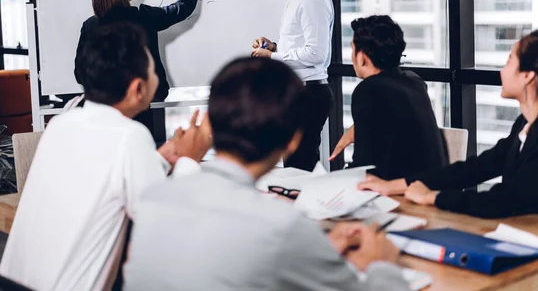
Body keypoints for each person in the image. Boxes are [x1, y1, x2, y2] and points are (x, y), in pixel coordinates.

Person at [124, 58, 410, 291]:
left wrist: (316, 248)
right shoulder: (282, 224)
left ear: (211, 120)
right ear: (293, 140)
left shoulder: (153, 199)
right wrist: (379, 264)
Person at [0, 23, 211, 291]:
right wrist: (190, 160)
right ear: (138, 89)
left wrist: (159, 158)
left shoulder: (63, 122)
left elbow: (105, 179)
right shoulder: (129, 136)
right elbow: (163, 226)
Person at [359, 29, 538, 223]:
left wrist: (434, 197)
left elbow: (504, 200)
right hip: (537, 235)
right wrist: (398, 185)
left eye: (509, 61)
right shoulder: (528, 124)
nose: (502, 70)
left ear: (528, 75)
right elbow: (476, 168)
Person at [75, 0, 211, 143]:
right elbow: (183, 7)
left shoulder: (90, 26)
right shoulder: (143, 17)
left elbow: (80, 73)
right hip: (144, 107)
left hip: (104, 110)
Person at [251, 0, 334, 171]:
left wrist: (272, 57)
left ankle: (307, 209)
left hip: (310, 93)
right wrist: (274, 46)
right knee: (295, 165)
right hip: (301, 91)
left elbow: (317, 54)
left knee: (300, 166)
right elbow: (303, 45)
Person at [329, 15, 448, 180]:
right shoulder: (413, 81)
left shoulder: (369, 90)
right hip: (431, 188)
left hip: (402, 197)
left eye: (352, 49)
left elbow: (368, 169)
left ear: (361, 56)